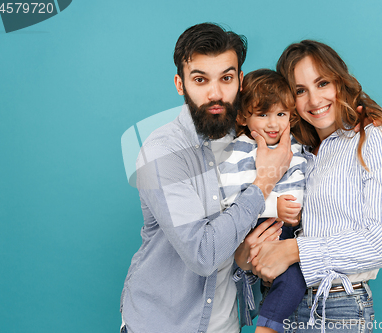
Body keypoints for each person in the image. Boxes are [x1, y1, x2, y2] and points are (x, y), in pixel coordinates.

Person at [119, 23, 292, 333]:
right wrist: (264, 181)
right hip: (164, 325)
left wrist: (369, 125)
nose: (215, 93)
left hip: (227, 324)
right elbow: (203, 255)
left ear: (240, 80)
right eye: (200, 80)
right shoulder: (162, 152)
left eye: (226, 78)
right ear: (180, 84)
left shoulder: (251, 137)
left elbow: (312, 122)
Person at [245, 40, 382, 333]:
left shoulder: (372, 139)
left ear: (340, 82)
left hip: (336, 308)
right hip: (278, 303)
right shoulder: (296, 151)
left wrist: (294, 250)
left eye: (322, 83)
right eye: (300, 91)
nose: (314, 100)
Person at [218, 69, 308, 333]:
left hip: (291, 228)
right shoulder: (239, 149)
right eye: (263, 114)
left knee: (295, 279)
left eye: (281, 114)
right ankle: (266, 328)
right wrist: (275, 206)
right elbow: (231, 198)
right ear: (243, 117)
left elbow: (303, 179)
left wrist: (299, 211)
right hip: (259, 225)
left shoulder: (294, 144)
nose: (273, 124)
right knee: (292, 280)